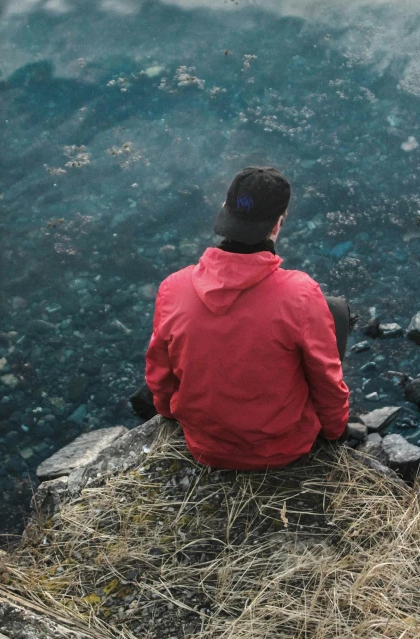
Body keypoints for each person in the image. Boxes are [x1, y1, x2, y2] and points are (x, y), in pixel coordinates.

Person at [142, 166, 350, 470]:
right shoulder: (300, 294)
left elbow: (159, 377)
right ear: (277, 225)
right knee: (335, 311)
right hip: (282, 449)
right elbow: (326, 379)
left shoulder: (173, 287)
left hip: (204, 447)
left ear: (225, 211)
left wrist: (170, 413)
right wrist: (335, 431)